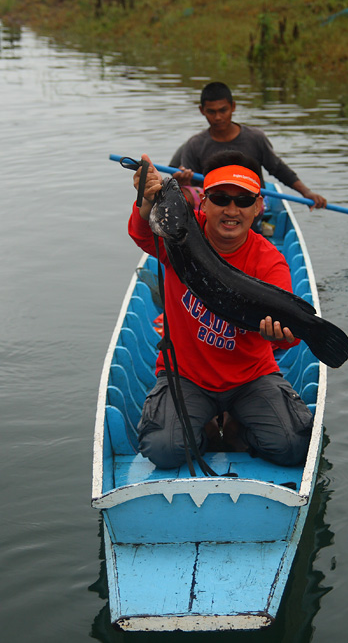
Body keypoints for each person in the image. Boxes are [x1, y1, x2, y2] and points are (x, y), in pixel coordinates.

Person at [128, 149, 314, 469]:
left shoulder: (269, 262)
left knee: (295, 446)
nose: (231, 210)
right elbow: (144, 233)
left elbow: (289, 339)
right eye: (221, 199)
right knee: (163, 449)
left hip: (251, 378)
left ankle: (238, 424)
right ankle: (206, 428)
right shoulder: (181, 234)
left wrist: (282, 334)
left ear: (258, 207)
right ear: (203, 202)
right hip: (185, 375)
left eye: (243, 202)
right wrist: (146, 201)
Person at [170, 81, 327, 209]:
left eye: (223, 110)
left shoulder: (255, 138)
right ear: (202, 111)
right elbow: (191, 190)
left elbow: (278, 168)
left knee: (242, 205)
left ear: (233, 107)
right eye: (211, 112)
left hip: (251, 202)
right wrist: (184, 184)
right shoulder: (195, 145)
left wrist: (307, 193)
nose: (218, 117)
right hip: (215, 204)